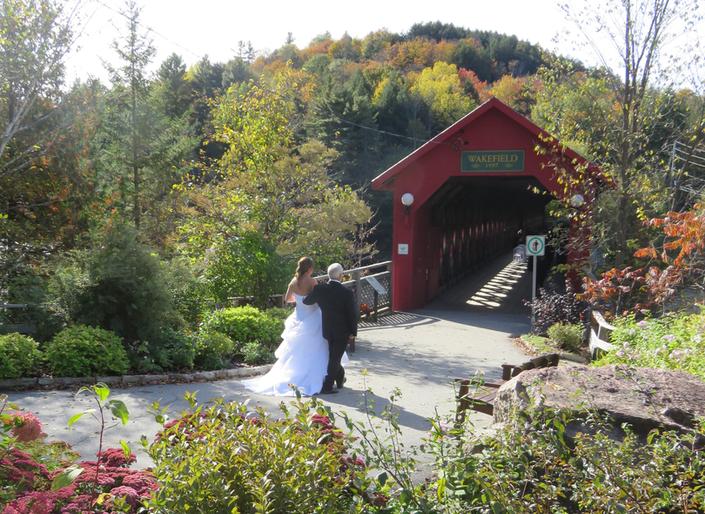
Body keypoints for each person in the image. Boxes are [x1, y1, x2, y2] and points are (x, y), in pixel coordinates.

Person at [242, 257, 348, 396]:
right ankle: (325, 378)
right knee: (321, 349)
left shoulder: (293, 282)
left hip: (299, 317)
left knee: (298, 351)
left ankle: (300, 375)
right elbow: (316, 298)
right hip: (314, 317)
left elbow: (288, 299)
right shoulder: (312, 281)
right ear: (309, 268)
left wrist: (299, 301)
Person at [303, 263, 357, 394]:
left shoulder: (320, 289)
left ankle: (340, 379)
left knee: (334, 355)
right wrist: (353, 332)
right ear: (341, 276)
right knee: (335, 358)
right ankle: (327, 386)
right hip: (342, 331)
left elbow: (307, 301)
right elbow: (352, 315)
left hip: (327, 329)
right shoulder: (347, 293)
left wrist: (305, 291)